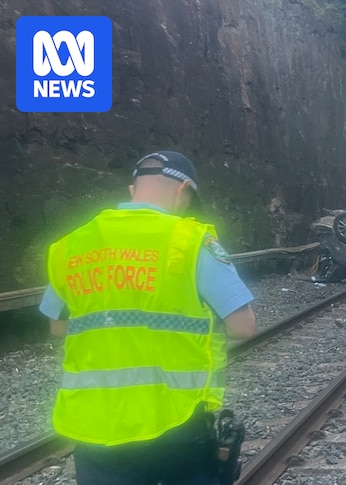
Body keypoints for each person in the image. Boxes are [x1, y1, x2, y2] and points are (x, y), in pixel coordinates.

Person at [39, 150, 256, 484]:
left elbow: (57, 327)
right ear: (183, 191)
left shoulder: (70, 246)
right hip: (175, 420)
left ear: (132, 190)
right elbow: (243, 327)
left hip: (94, 425)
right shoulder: (191, 241)